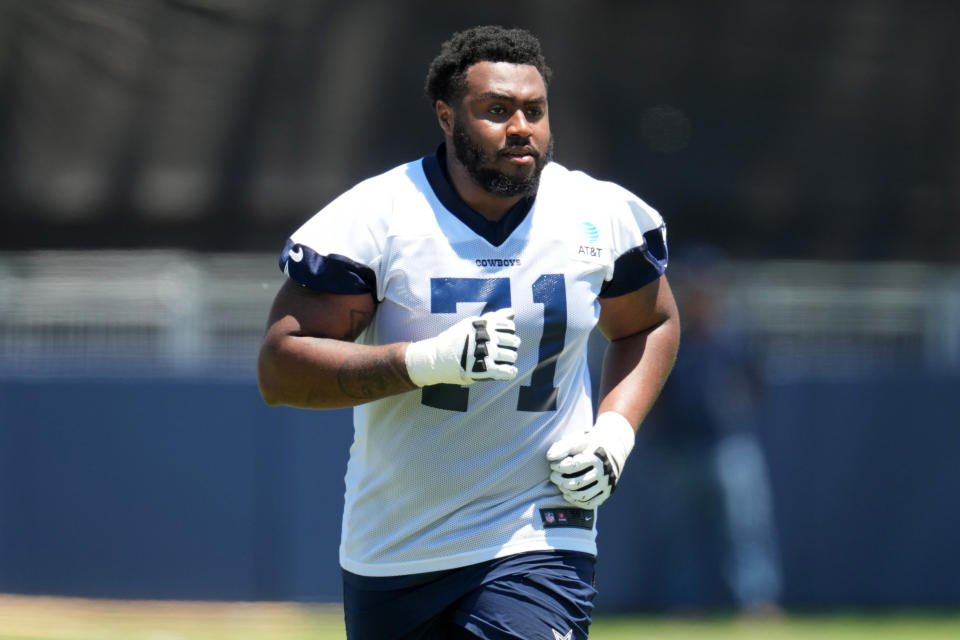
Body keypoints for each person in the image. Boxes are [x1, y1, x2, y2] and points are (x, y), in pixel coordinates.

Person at [257, 25, 680, 640]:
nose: (521, 128)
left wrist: (616, 430)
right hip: (398, 540)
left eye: (534, 110)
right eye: (496, 110)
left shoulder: (599, 213)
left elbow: (652, 322)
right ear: (446, 116)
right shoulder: (380, 217)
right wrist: (424, 361)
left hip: (538, 528)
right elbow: (281, 369)